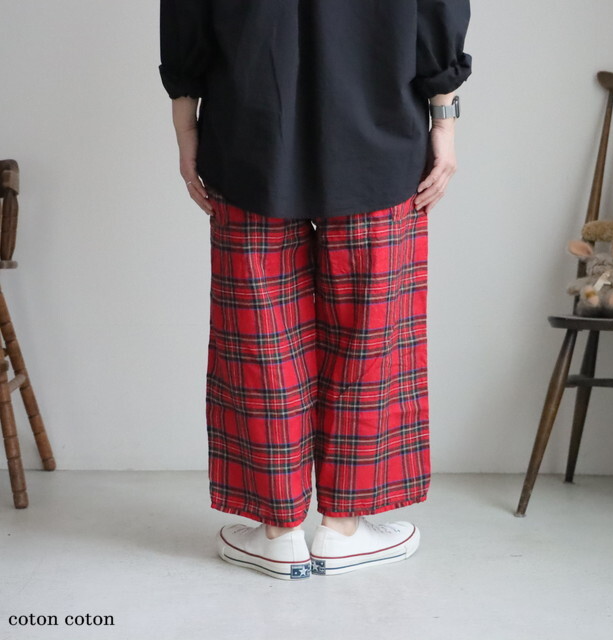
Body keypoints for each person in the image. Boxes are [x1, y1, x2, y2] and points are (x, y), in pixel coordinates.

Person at [159, 0, 472, 580]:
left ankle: (278, 534)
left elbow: (186, 13)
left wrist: (186, 128)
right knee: (370, 333)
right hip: (379, 132)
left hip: (248, 134)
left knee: (261, 338)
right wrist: (445, 123)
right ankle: (343, 529)